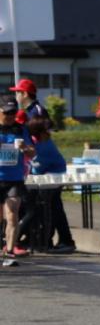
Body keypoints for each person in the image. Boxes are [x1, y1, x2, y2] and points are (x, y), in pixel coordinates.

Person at [21, 117, 74, 253]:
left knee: (45, 211)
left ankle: (45, 241)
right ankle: (46, 241)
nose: (49, 134)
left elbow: (37, 167)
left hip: (51, 180)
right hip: (49, 179)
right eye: (46, 132)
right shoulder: (41, 143)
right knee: (52, 210)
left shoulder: (44, 146)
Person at [0, 99, 35, 263]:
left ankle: (10, 251)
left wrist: (24, 149)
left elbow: (32, 153)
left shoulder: (21, 130)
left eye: (13, 113)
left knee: (12, 214)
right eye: (6, 112)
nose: (10, 116)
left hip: (14, 179)